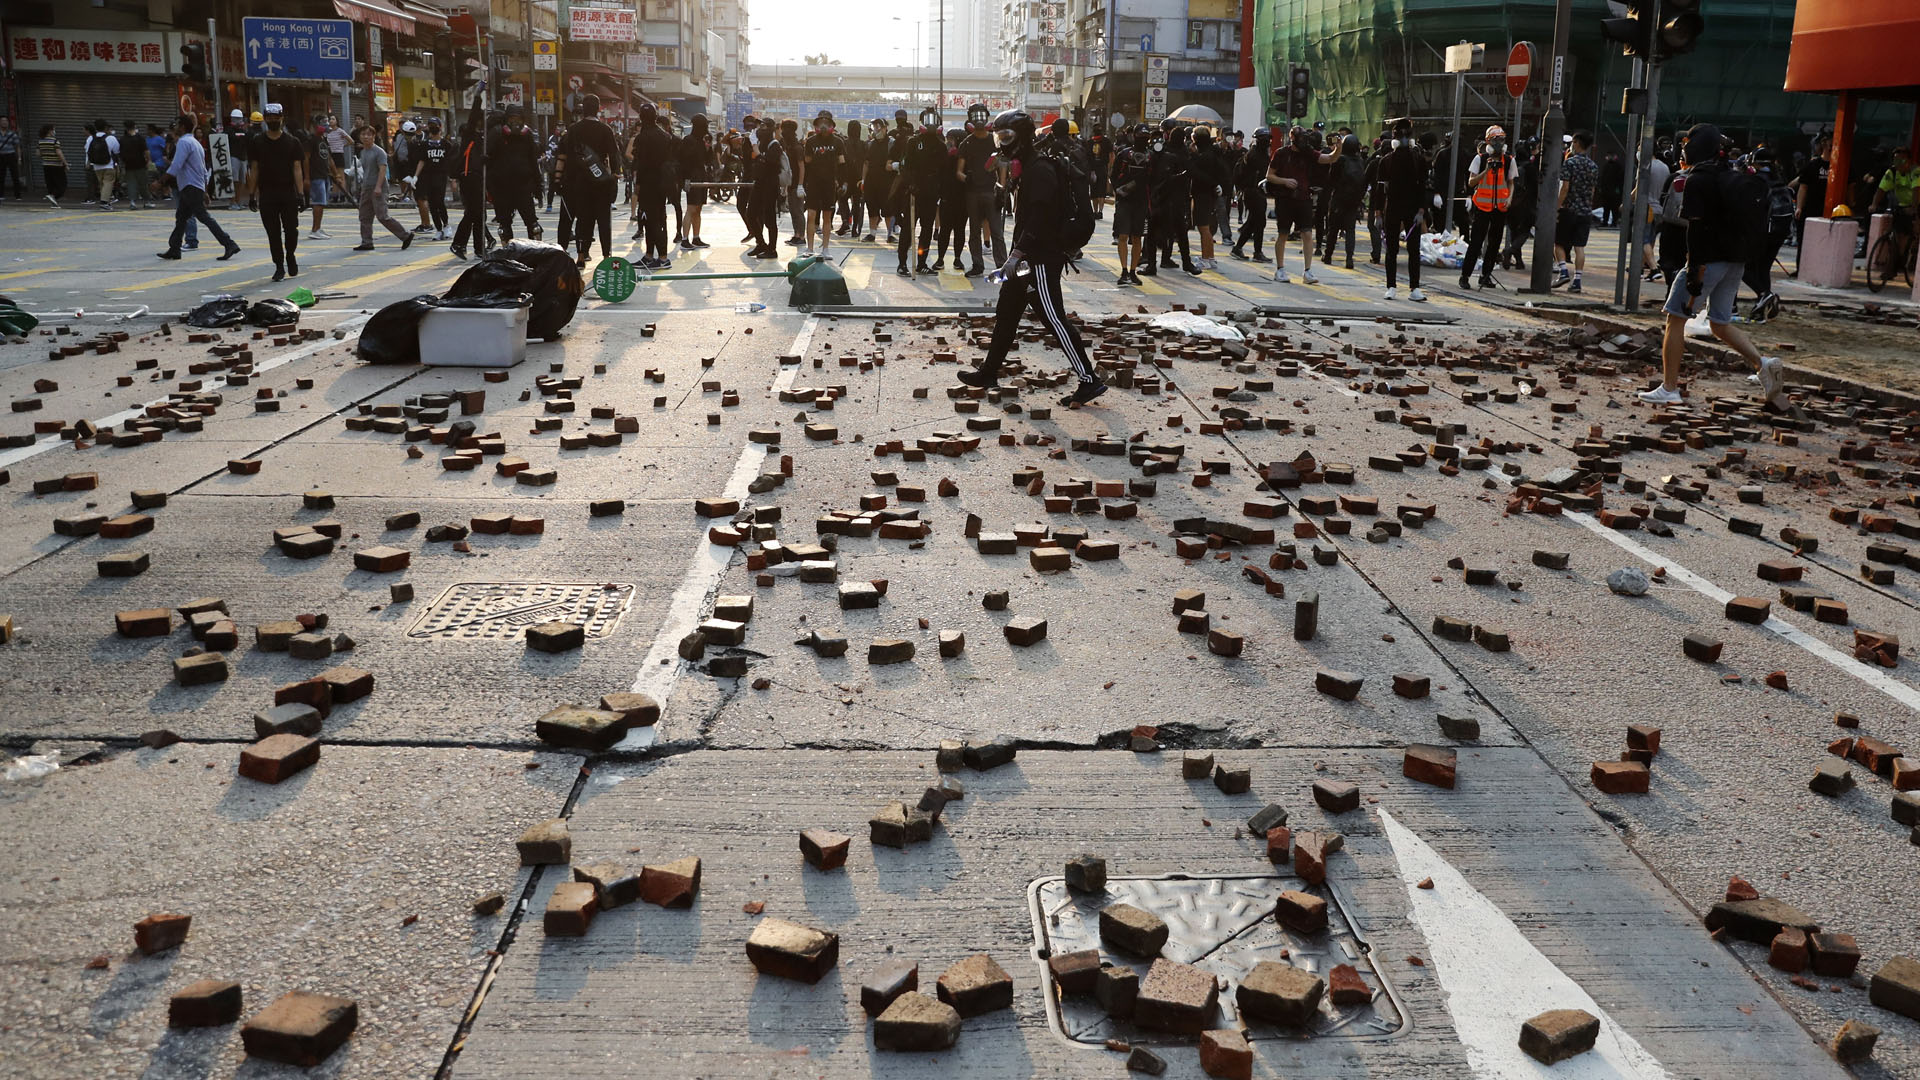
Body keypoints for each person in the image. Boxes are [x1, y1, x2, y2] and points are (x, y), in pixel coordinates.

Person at [955, 110, 1106, 408]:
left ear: (1022, 137)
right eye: (1000, 136)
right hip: (1024, 260)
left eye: (1007, 136)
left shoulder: (1040, 169)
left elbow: (1040, 218)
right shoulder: (1027, 167)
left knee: (1054, 320)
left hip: (1039, 260)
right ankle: (988, 373)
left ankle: (1090, 381)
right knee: (1007, 314)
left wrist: (1017, 254)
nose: (1002, 142)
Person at [1639, 124, 1784, 410]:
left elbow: (1696, 230)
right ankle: (1763, 363)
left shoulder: (1698, 180)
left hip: (1708, 261)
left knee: (1675, 318)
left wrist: (1695, 270)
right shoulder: (1732, 176)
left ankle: (1669, 388)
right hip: (1735, 262)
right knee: (1719, 322)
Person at [1266, 125, 1344, 284]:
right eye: (1300, 138)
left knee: (1307, 234)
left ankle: (1307, 271)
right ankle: (1280, 269)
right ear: (1292, 138)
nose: (1303, 142)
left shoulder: (1308, 153)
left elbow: (1330, 159)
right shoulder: (1281, 153)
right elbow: (1269, 176)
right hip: (1285, 199)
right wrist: (1285, 181)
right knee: (1283, 234)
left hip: (1304, 198)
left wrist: (1338, 148)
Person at [156, 113, 240, 261]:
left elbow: (176, 166)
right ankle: (174, 248)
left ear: (182, 127)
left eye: (176, 125)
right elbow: (202, 170)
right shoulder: (195, 143)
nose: (174, 128)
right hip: (194, 186)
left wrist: (160, 182)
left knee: (202, 216)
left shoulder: (183, 143)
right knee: (181, 217)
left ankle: (229, 243)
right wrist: (205, 190)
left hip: (190, 186)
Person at [556, 94, 621, 269]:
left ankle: (581, 256)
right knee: (603, 220)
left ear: (583, 109)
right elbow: (614, 155)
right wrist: (615, 174)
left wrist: (560, 179)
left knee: (583, 220)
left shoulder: (573, 130)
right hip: (600, 182)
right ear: (598, 108)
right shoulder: (605, 130)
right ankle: (607, 255)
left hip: (579, 182)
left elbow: (565, 155)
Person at [242, 103, 305, 282]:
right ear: (265, 118)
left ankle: (290, 255)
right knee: (273, 232)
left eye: (276, 117)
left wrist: (301, 194)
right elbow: (254, 169)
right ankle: (278, 266)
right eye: (269, 117)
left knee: (291, 230)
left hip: (288, 193)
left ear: (281, 118)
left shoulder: (293, 142)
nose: (273, 120)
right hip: (267, 193)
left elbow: (297, 168)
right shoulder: (257, 141)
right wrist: (252, 194)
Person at [1376, 120, 1430, 301]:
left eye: (1407, 135)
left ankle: (1414, 288)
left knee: (1414, 250)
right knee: (1392, 250)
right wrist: (1378, 213)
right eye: (1401, 136)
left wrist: (1422, 211)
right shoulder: (1386, 161)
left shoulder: (1418, 160)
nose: (1405, 139)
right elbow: (1380, 190)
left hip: (1413, 209)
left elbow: (1423, 186)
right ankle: (1391, 286)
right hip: (1393, 208)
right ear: (1394, 138)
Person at [1458, 125, 1515, 290]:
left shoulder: (1509, 160)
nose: (1499, 143)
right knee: (1476, 242)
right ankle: (1465, 275)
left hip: (1500, 208)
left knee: (1494, 244)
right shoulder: (1480, 159)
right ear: (1489, 141)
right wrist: (1486, 171)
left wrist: (1510, 198)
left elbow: (1511, 182)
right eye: (1496, 140)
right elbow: (1471, 182)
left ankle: (1486, 275)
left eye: (1502, 140)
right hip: (1482, 207)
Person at [1742, 147, 1794, 322]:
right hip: (1780, 231)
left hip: (1764, 230)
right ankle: (1761, 309)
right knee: (1763, 268)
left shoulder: (1757, 180)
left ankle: (1764, 295)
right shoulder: (1778, 177)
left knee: (1744, 267)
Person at [1142, 123, 1197, 277]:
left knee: (1163, 233)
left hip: (1164, 199)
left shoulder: (1170, 154)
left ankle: (1153, 264)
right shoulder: (1173, 154)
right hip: (1167, 200)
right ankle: (1181, 262)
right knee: (1177, 233)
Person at [353, 124, 416, 253]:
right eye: (363, 134)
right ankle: (367, 242)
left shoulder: (379, 152)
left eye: (369, 134)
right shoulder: (363, 152)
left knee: (382, 216)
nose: (366, 137)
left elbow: (382, 170)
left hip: (378, 187)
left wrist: (378, 187)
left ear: (374, 136)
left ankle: (405, 235)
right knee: (364, 216)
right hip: (366, 187)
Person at [897, 114, 946, 276]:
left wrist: (940, 190)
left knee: (926, 230)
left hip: (931, 194)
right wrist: (910, 183)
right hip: (913, 192)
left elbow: (943, 170)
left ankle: (922, 262)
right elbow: (905, 165)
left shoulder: (940, 145)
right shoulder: (913, 142)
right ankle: (902, 263)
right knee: (907, 229)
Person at [627, 103, 674, 269]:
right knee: (659, 219)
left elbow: (641, 163)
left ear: (641, 117)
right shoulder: (665, 136)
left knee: (650, 221)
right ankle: (650, 256)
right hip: (662, 184)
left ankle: (661, 258)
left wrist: (638, 185)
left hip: (648, 184)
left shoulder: (642, 137)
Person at [486, 106, 541, 241]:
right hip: (502, 187)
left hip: (523, 186)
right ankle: (508, 253)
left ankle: (537, 251)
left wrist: (538, 186)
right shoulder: (496, 134)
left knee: (533, 225)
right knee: (504, 225)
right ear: (506, 120)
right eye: (512, 119)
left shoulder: (527, 135)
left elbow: (533, 161)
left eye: (518, 119)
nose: (515, 122)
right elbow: (488, 160)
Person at [1554, 131, 1598, 293]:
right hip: (1585, 211)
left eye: (1573, 141)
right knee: (1579, 247)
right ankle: (1577, 280)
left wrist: (1557, 207)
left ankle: (1563, 271)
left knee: (1558, 243)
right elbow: (1592, 191)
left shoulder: (1570, 163)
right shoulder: (1593, 166)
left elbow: (1565, 188)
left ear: (1577, 143)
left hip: (1569, 210)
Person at [960, 118, 1004, 277]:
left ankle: (1001, 265)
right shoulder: (966, 143)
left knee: (997, 232)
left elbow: (1003, 165)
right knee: (974, 232)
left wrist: (1002, 187)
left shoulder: (995, 140)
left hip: (991, 192)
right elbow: (959, 171)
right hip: (972, 193)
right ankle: (977, 264)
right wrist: (966, 178)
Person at [1110, 127, 1151, 285]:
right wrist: (1120, 192)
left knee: (1137, 237)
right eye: (1141, 136)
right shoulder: (1124, 154)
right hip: (1125, 201)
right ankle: (1124, 270)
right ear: (1134, 136)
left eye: (1145, 137)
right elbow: (1113, 176)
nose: (1143, 139)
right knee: (1123, 236)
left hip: (1140, 202)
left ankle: (1133, 271)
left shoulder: (1151, 156)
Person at [1321, 133, 1367, 269]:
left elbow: (1331, 179)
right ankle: (1349, 258)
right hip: (1354, 200)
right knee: (1350, 230)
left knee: (1333, 228)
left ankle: (1328, 255)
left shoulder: (1339, 160)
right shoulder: (1360, 161)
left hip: (1339, 198)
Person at [802, 111, 845, 258]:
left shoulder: (838, 142)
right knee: (811, 215)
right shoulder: (811, 141)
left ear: (832, 125)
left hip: (829, 184)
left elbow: (842, 162)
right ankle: (809, 248)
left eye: (827, 124)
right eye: (820, 124)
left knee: (827, 216)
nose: (824, 127)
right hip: (814, 183)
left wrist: (841, 181)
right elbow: (806, 161)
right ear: (816, 126)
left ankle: (826, 248)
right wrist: (802, 184)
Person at [450, 103, 490, 260]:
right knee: (474, 213)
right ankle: (459, 244)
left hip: (478, 179)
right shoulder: (469, 135)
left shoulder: (481, 138)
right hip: (469, 178)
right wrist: (478, 97)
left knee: (479, 215)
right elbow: (473, 117)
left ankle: (478, 249)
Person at [1189, 127, 1229, 271]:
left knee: (1203, 227)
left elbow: (1197, 172)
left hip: (1203, 193)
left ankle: (1205, 258)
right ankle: (1210, 257)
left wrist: (1193, 156)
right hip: (1210, 193)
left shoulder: (1204, 155)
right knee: (1205, 227)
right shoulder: (1213, 152)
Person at [1230, 128, 1271, 261]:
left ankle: (1241, 249)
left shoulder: (1256, 153)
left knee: (1256, 222)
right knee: (1257, 222)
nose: (1268, 142)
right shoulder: (1256, 155)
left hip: (1256, 192)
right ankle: (1255, 252)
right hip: (1254, 192)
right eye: (1266, 140)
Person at [746, 123, 785, 259]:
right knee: (750, 213)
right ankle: (761, 243)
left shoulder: (775, 145)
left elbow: (768, 162)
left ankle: (772, 249)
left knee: (770, 219)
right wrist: (751, 143)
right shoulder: (760, 143)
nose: (762, 131)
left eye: (765, 128)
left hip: (770, 184)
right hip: (759, 183)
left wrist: (756, 151)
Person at [1790, 133, 1829, 260]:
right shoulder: (1812, 165)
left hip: (1829, 210)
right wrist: (1799, 207)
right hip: (1810, 208)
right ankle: (1801, 266)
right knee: (1804, 239)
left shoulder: (1841, 165)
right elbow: (1803, 186)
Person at [931, 127, 966, 269]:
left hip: (962, 199)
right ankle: (940, 259)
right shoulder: (943, 157)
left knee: (960, 230)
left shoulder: (965, 158)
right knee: (945, 230)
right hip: (946, 198)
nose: (948, 143)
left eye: (951, 140)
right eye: (948, 139)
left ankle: (957, 258)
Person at [411, 118, 452, 240]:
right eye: (430, 126)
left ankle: (446, 225)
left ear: (440, 127)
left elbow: (451, 161)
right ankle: (438, 229)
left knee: (439, 201)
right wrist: (416, 176)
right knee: (432, 204)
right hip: (428, 177)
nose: (433, 128)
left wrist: (453, 178)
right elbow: (422, 161)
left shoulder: (446, 145)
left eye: (435, 125)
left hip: (441, 176)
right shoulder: (425, 144)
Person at [680, 114, 713, 249]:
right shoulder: (688, 140)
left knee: (698, 209)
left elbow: (707, 159)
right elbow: (684, 161)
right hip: (692, 179)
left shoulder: (702, 141)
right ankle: (684, 239)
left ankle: (696, 237)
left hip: (701, 178)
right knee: (691, 208)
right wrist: (685, 179)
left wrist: (708, 146)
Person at [307, 117, 344, 238]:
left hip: (325, 175)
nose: (326, 126)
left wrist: (336, 174)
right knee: (319, 202)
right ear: (314, 124)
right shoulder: (311, 140)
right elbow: (305, 160)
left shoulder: (324, 139)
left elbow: (329, 159)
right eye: (323, 123)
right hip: (315, 175)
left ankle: (318, 228)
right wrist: (306, 177)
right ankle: (314, 229)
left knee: (322, 203)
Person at [85, 121, 121, 210]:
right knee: (108, 183)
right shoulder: (111, 138)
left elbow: (87, 151)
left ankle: (106, 202)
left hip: (96, 166)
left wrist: (88, 162)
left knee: (102, 184)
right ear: (105, 128)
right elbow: (117, 151)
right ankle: (104, 203)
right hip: (109, 165)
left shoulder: (91, 138)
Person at [119, 120, 151, 209]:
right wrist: (148, 161)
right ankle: (147, 202)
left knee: (131, 184)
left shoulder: (122, 139)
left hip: (128, 165)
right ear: (135, 126)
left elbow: (120, 153)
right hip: (140, 164)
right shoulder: (140, 138)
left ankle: (132, 202)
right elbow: (146, 151)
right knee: (143, 183)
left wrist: (123, 164)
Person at [224, 110, 250, 209]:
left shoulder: (243, 131)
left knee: (241, 181)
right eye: (236, 119)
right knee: (234, 180)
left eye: (239, 119)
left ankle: (238, 201)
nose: (238, 121)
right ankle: (232, 201)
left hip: (243, 157)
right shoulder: (229, 130)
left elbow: (247, 140)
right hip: (233, 156)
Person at [37, 125, 68, 205]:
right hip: (56, 165)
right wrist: (65, 163)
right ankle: (54, 196)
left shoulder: (40, 141)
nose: (54, 132)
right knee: (62, 184)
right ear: (50, 131)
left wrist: (46, 154)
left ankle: (53, 203)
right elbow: (59, 153)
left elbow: (38, 154)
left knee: (50, 184)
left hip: (46, 165)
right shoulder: (55, 141)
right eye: (54, 130)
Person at [0, 117, 22, 199]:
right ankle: (1, 195)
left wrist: (19, 158)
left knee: (15, 176)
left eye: (6, 121)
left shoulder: (12, 134)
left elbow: (18, 147)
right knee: (1, 176)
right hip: (1, 156)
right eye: (2, 121)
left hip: (11, 156)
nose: (4, 122)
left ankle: (18, 195)